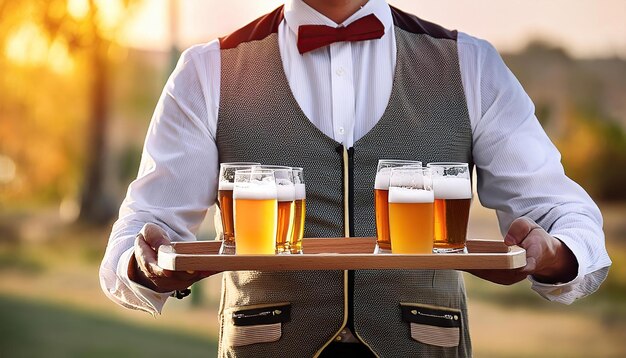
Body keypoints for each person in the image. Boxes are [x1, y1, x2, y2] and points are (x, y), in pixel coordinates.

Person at [99, 0, 612, 356]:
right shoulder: (205, 71)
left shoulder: (471, 65)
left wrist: (550, 253)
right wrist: (147, 266)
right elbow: (138, 234)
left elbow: (568, 217)